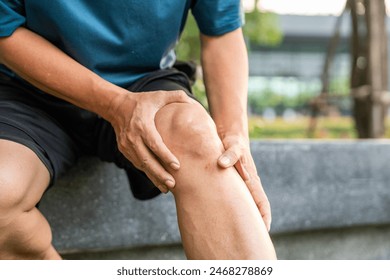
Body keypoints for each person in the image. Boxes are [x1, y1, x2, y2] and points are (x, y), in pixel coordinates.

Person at [0, 0, 277, 260]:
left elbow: (221, 30)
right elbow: (4, 29)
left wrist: (233, 133)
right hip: (28, 90)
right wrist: (116, 105)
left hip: (145, 83)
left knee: (202, 145)